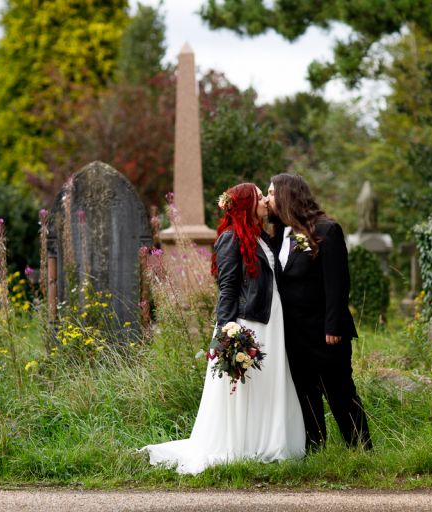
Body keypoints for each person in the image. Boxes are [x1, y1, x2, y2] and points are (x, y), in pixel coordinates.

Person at [140, 183, 305, 474]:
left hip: (270, 323)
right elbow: (227, 287)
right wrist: (227, 332)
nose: (264, 201)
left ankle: (268, 441)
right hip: (247, 323)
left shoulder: (261, 236)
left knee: (266, 386)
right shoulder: (230, 238)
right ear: (246, 204)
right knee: (246, 388)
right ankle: (244, 445)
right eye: (259, 196)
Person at [267, 173, 372, 452]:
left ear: (287, 195)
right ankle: (315, 450)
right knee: (305, 396)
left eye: (271, 193)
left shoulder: (326, 230)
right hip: (293, 334)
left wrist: (334, 327)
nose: (268, 199)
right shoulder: (279, 237)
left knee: (340, 394)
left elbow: (338, 284)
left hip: (326, 334)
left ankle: (361, 449)